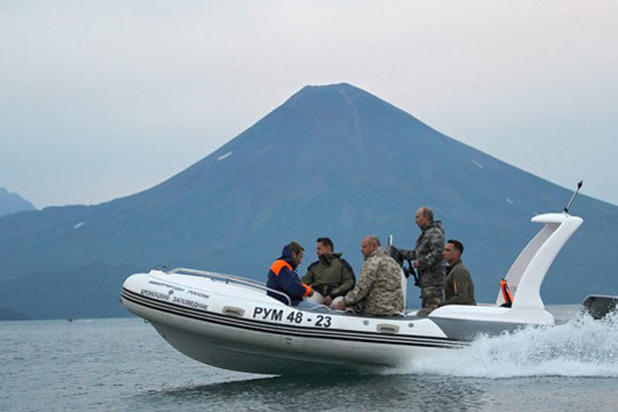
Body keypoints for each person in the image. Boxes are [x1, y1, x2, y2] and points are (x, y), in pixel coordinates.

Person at [396, 206, 445, 316]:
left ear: (426, 217)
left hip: (433, 281)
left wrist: (422, 262)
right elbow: (417, 254)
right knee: (427, 306)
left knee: (432, 309)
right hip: (427, 281)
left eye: (418, 217)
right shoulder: (426, 234)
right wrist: (400, 253)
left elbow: (438, 252)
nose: (415, 220)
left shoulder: (434, 233)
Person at [336, 236, 404, 316]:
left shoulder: (372, 262)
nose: (361, 249)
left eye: (364, 247)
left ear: (374, 246)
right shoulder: (393, 262)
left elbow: (362, 289)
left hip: (377, 308)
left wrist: (344, 301)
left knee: (338, 303)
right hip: (394, 308)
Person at [301, 237, 355, 308]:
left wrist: (333, 295)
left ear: (328, 248)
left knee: (338, 303)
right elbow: (304, 282)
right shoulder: (314, 266)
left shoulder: (343, 264)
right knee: (311, 303)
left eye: (319, 248)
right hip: (318, 294)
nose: (317, 251)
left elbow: (350, 282)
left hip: (336, 296)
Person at [267, 241, 313, 306]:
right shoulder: (282, 267)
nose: (300, 261)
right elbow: (294, 287)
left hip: (287, 301)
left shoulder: (284, 266)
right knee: (320, 309)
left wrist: (305, 287)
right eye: (300, 257)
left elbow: (295, 283)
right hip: (287, 303)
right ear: (294, 255)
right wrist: (309, 291)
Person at [440, 239, 476, 306]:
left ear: (457, 253)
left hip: (463, 312)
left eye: (448, 250)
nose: (444, 253)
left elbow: (461, 297)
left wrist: (441, 305)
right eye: (444, 250)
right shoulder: (451, 270)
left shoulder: (459, 271)